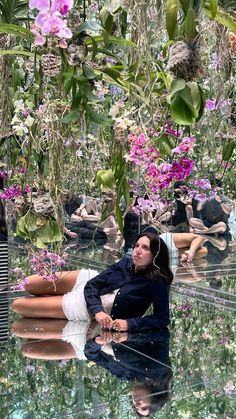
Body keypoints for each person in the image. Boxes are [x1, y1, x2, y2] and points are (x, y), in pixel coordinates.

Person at [12, 233, 173, 331]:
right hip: (87, 282)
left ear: (155, 255)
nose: (138, 250)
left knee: (18, 305)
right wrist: (97, 308)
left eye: (145, 248)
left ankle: (51, 299)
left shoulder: (156, 282)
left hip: (88, 306)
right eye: (137, 245)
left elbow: (162, 318)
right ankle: (50, 296)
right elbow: (93, 284)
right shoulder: (126, 263)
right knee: (28, 283)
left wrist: (129, 324)